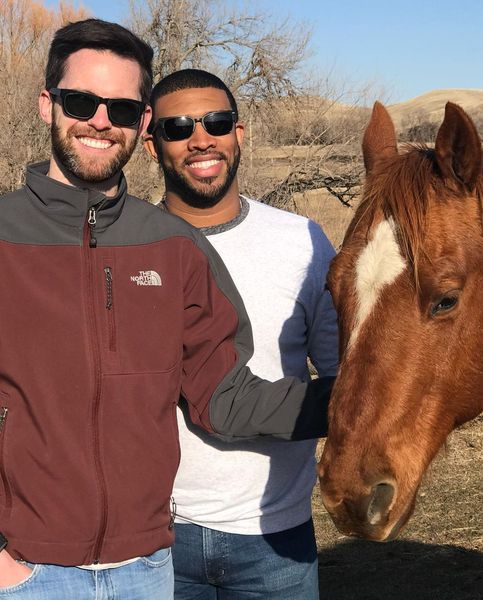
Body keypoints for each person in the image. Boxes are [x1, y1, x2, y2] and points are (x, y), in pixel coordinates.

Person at [0, 20, 335, 600]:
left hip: (148, 570)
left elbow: (224, 398)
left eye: (123, 109)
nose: (101, 122)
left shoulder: (175, 247)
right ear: (47, 105)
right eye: (81, 102)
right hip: (26, 573)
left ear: (143, 125)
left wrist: (373, 400)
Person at [144, 69, 338, 599]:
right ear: (152, 145)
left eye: (217, 122)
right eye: (178, 127)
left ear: (240, 133)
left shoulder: (303, 240)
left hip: (275, 536)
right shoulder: (130, 247)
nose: (200, 138)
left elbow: (347, 371)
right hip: (153, 537)